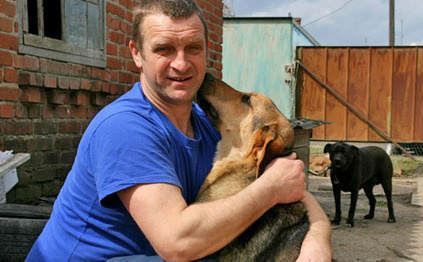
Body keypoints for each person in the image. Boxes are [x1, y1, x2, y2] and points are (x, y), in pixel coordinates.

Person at [27, 0, 332, 261]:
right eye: (164, 49)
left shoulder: (211, 124)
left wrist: (317, 241)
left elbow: (293, 186)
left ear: (206, 50)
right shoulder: (125, 129)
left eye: (192, 48)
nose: (182, 63)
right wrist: (269, 189)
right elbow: (178, 243)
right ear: (137, 53)